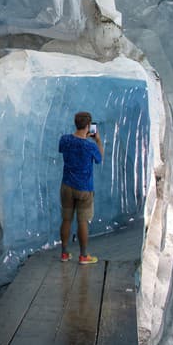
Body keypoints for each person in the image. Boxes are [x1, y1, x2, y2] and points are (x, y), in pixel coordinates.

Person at [58, 111, 103, 264]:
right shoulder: (90, 146)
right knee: (82, 222)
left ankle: (64, 253)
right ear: (89, 126)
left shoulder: (64, 140)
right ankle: (83, 256)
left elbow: (62, 150)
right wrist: (98, 140)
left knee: (66, 219)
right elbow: (99, 159)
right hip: (84, 188)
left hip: (67, 186)